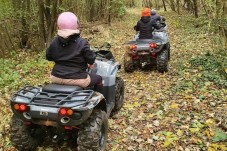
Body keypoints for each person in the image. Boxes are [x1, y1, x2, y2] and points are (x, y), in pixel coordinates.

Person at [46, 12, 103, 91]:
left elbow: (48, 57)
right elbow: (91, 59)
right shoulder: (82, 42)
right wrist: (91, 61)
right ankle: (100, 101)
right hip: (77, 79)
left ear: (58, 25)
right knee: (99, 79)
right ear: (76, 24)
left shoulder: (54, 42)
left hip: (56, 77)